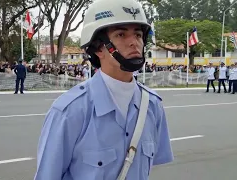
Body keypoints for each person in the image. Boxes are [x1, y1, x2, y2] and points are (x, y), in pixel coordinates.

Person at [34, 0, 174, 179]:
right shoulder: (70, 111)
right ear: (99, 48)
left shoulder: (153, 105)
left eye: (138, 35)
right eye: (121, 34)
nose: (134, 42)